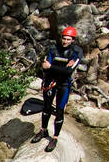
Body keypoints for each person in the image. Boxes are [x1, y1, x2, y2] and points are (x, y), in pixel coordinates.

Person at [33, 25, 83, 153]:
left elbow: (68, 71)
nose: (65, 41)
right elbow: (45, 65)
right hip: (50, 81)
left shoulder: (76, 52)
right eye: (64, 38)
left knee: (60, 110)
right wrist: (51, 67)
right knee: (46, 107)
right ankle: (43, 130)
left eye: (68, 39)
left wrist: (52, 67)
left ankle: (55, 137)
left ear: (73, 40)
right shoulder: (53, 49)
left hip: (64, 84)